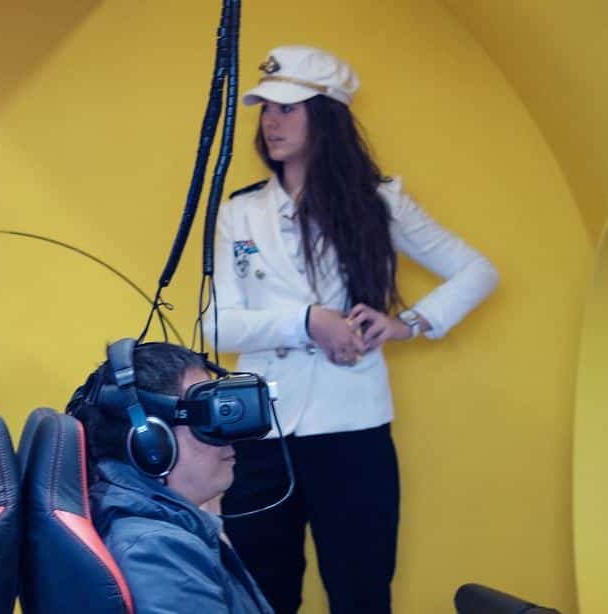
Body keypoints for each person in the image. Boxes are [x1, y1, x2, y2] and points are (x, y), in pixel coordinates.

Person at [205, 45, 499, 613]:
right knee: (258, 597)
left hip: (352, 429)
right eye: (265, 107)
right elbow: (217, 325)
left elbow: (477, 271)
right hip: (261, 436)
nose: (271, 121)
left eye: (289, 108)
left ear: (328, 116)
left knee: (361, 593)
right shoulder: (239, 211)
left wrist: (407, 323)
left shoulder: (377, 202)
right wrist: (309, 321)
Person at [68, 341, 273, 614]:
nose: (228, 437)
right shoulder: (156, 551)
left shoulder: (164, 527)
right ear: (152, 443)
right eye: (208, 421)